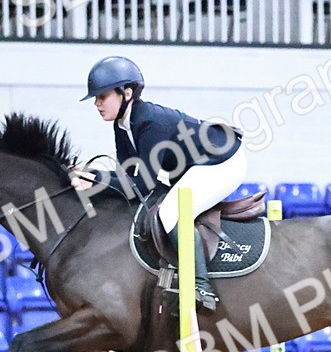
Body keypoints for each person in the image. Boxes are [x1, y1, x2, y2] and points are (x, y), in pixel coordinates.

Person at [72, 56, 246, 311]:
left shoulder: (149, 121)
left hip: (222, 162)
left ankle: (201, 287)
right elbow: (129, 178)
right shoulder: (123, 125)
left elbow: (140, 185)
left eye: (102, 96)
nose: (97, 104)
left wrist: (96, 178)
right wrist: (94, 179)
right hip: (195, 166)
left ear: (126, 93)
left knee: (170, 213)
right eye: (96, 99)